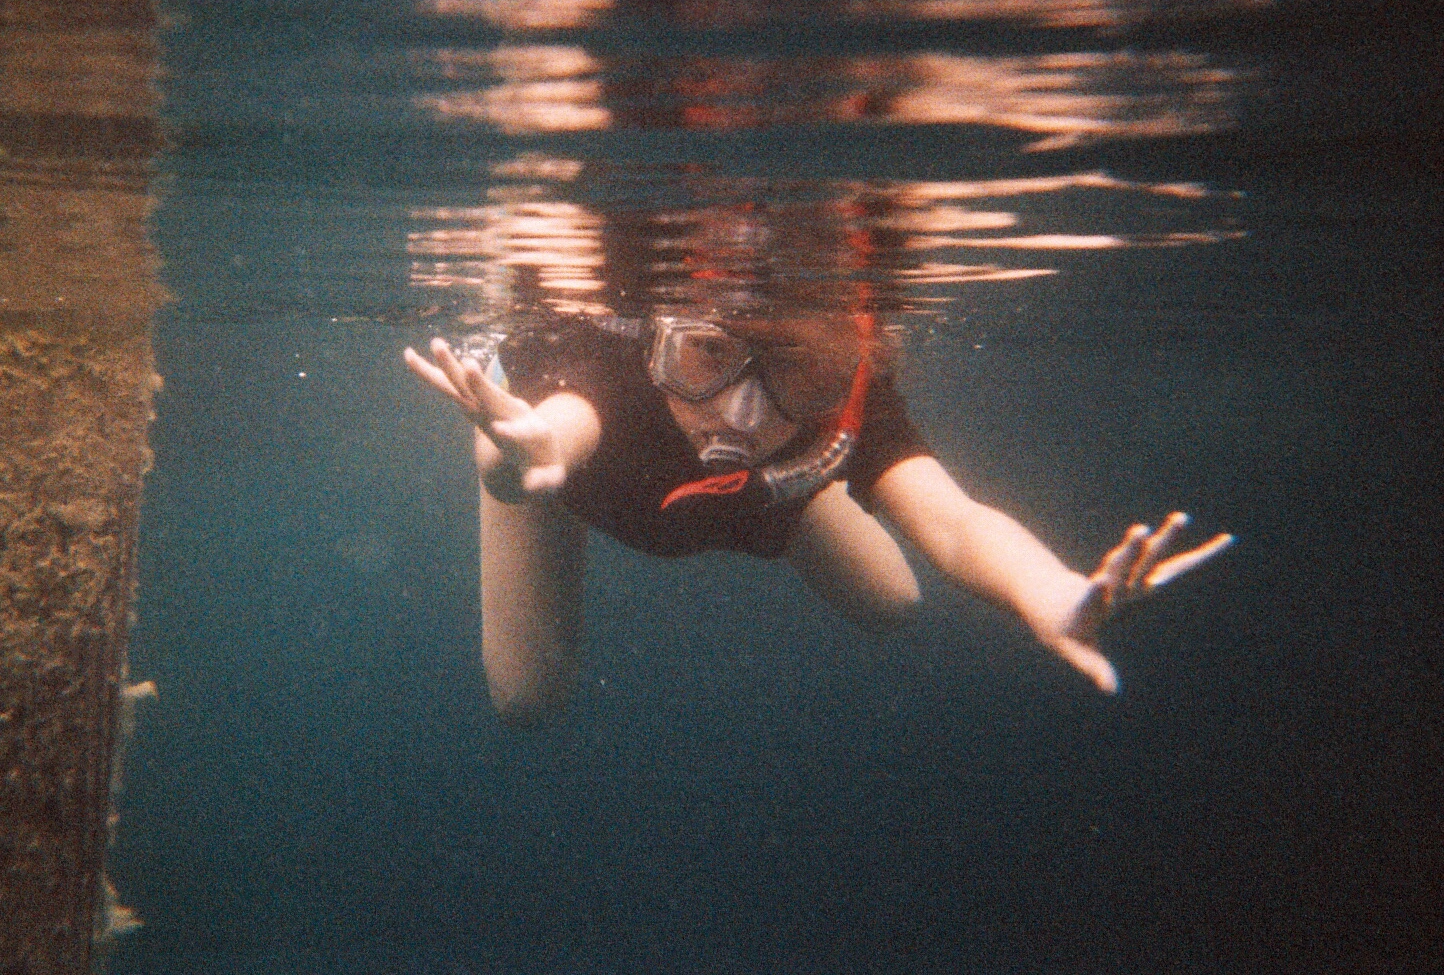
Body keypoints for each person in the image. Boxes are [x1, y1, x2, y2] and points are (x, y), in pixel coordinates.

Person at [404, 311, 1232, 728]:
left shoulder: (853, 415)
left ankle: (802, 490)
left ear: (847, 361)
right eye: (707, 355)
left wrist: (1050, 594)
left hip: (773, 501)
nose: (743, 412)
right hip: (566, 481)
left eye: (796, 369)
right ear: (655, 337)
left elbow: (955, 522)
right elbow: (558, 427)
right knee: (527, 699)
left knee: (894, 603)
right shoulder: (602, 380)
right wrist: (520, 459)